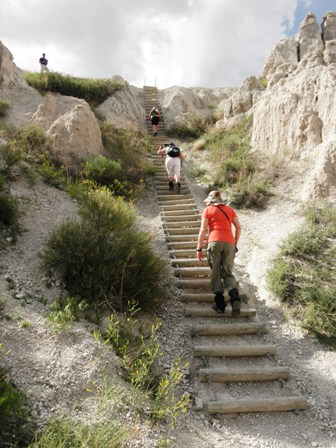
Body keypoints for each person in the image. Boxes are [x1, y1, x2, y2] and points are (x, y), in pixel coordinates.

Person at [196, 190, 242, 316]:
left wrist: (199, 248)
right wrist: (235, 243)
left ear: (210, 201)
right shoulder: (229, 209)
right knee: (227, 271)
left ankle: (220, 305)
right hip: (229, 243)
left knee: (216, 271)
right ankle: (235, 298)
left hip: (214, 242)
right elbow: (238, 227)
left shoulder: (208, 210)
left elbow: (203, 229)